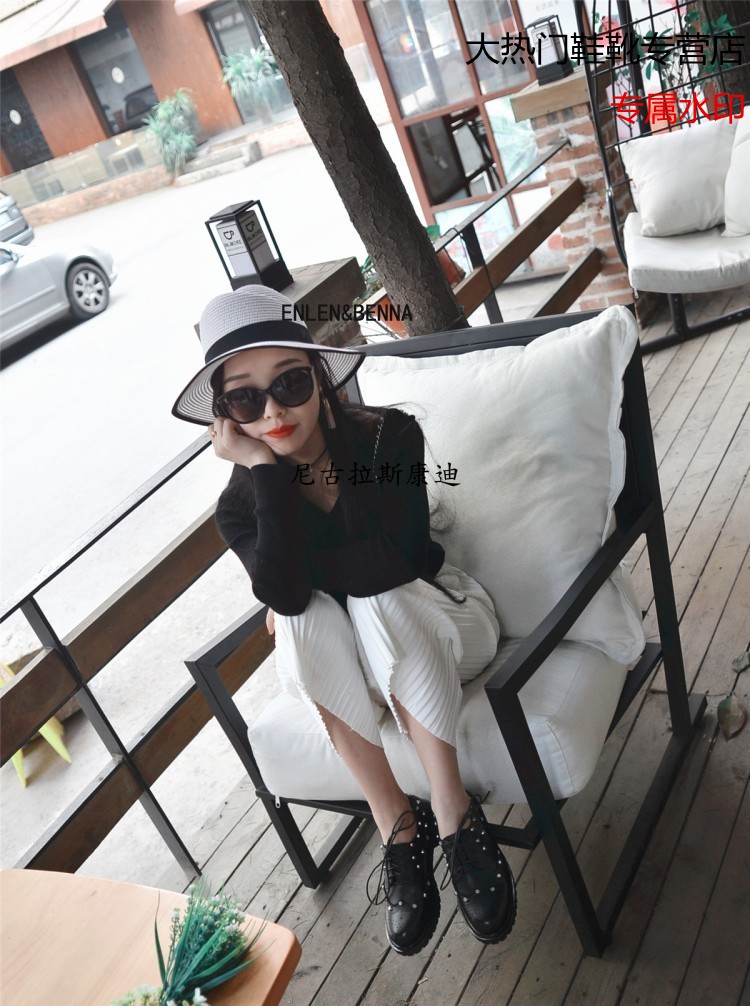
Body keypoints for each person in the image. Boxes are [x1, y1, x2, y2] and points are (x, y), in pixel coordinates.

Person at [172, 284, 517, 955]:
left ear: (319, 377)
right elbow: (292, 598)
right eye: (245, 398)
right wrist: (268, 478)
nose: (273, 411)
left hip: (444, 623)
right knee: (302, 618)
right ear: (225, 416)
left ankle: (453, 814)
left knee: (369, 598)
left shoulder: (389, 437)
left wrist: (293, 585)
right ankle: (399, 827)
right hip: (356, 675)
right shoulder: (241, 507)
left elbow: (400, 559)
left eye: (290, 383)